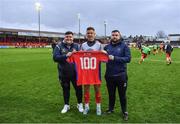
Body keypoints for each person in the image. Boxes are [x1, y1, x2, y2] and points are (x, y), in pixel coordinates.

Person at [53, 31, 83, 114]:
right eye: (67, 37)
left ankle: (79, 104)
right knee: (66, 89)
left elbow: (82, 57)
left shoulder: (77, 46)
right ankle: (66, 105)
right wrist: (66, 55)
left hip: (76, 73)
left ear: (73, 38)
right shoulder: (58, 46)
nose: (69, 38)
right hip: (64, 73)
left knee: (79, 90)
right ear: (64, 37)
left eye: (70, 37)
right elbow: (55, 58)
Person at [104, 30, 131, 121]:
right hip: (109, 75)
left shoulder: (124, 46)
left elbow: (128, 59)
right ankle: (111, 109)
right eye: (113, 35)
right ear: (111, 36)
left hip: (121, 75)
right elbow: (101, 57)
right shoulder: (107, 47)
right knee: (111, 94)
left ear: (119, 36)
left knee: (122, 95)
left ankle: (124, 111)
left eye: (116, 35)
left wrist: (115, 58)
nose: (114, 36)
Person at [81, 27, 103, 115]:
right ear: (86, 34)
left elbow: (102, 56)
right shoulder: (83, 45)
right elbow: (80, 56)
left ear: (94, 34)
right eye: (88, 33)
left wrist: (104, 53)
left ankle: (98, 107)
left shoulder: (99, 45)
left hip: (96, 71)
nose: (90, 34)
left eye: (91, 33)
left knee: (97, 90)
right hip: (86, 71)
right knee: (86, 90)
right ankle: (86, 107)